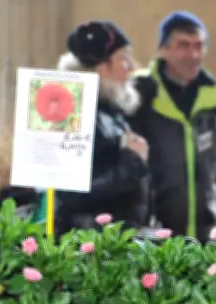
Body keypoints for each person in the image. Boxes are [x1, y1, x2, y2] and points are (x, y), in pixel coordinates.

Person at [130, 11, 216, 241]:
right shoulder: (139, 95)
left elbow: (211, 166)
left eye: (199, 46)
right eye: (183, 46)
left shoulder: (214, 100)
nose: (193, 55)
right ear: (163, 49)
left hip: (204, 226)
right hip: (153, 228)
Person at [53, 20, 150, 236]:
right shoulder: (73, 115)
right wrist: (132, 162)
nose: (132, 66)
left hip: (109, 242)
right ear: (102, 68)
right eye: (124, 59)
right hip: (88, 246)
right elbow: (74, 193)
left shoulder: (108, 108)